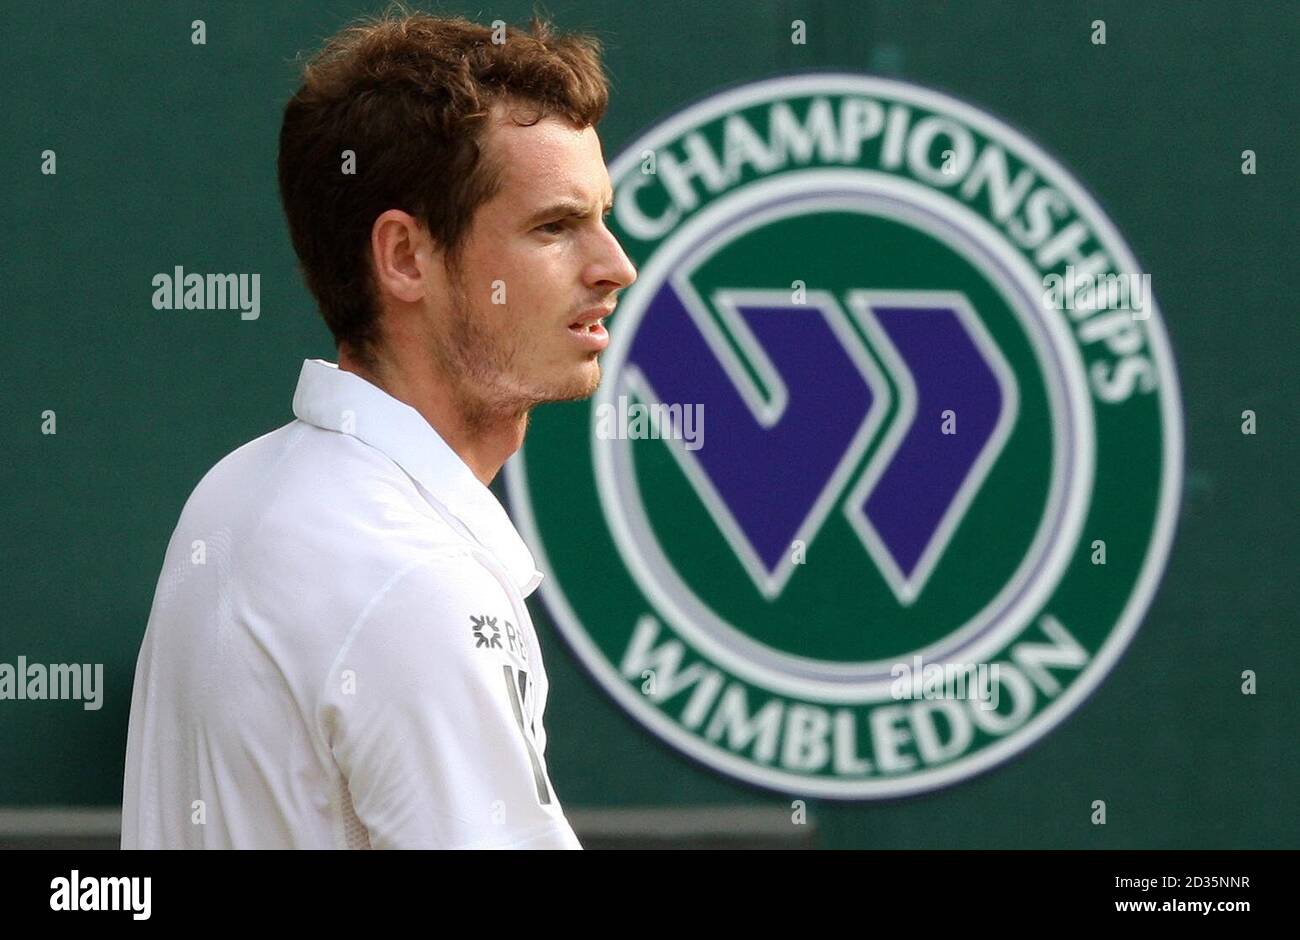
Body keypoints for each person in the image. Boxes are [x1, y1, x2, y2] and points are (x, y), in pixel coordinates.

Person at [120, 7, 636, 849]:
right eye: (555, 225)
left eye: (602, 215)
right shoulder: (416, 579)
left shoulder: (237, 492)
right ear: (405, 257)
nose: (615, 264)